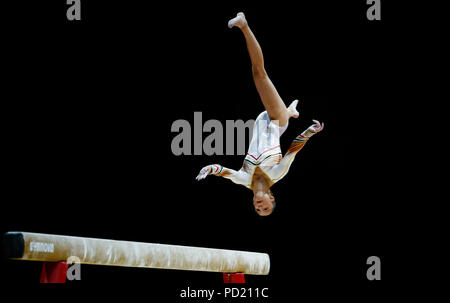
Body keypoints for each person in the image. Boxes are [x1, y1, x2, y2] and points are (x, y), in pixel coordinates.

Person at [196, 12, 324, 216]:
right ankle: (244, 25)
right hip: (275, 120)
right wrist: (310, 131)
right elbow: (293, 150)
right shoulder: (277, 173)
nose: (259, 205)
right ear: (271, 197)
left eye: (257, 209)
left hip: (264, 122)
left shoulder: (244, 180)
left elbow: (221, 170)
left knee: (262, 83)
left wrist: (206, 170)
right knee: (259, 73)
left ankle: (290, 111)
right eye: (264, 206)